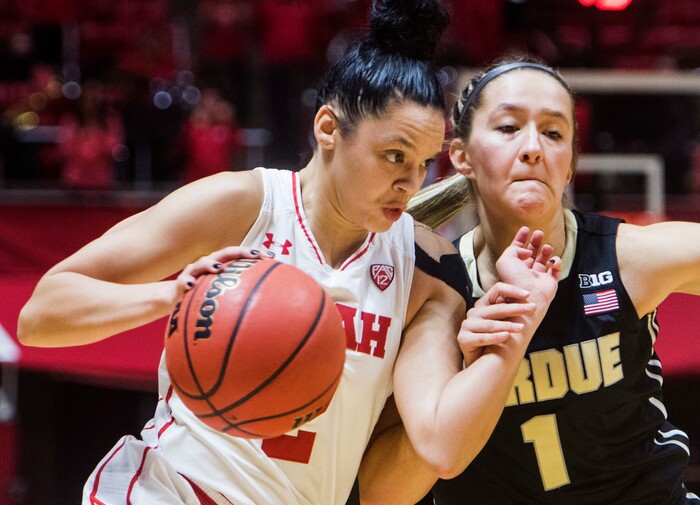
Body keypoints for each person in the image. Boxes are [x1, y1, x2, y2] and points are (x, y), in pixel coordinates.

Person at [16, 4, 560, 504]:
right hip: (172, 491)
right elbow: (40, 316)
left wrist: (505, 338)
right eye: (392, 155)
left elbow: (416, 466)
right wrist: (171, 297)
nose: (408, 182)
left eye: (420, 164)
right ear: (327, 128)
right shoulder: (243, 204)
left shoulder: (427, 270)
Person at [362, 57, 700, 505]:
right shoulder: (435, 288)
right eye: (508, 128)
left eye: (554, 133)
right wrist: (476, 374)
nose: (533, 147)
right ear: (460, 156)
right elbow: (381, 495)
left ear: (570, 165)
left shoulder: (626, 256)